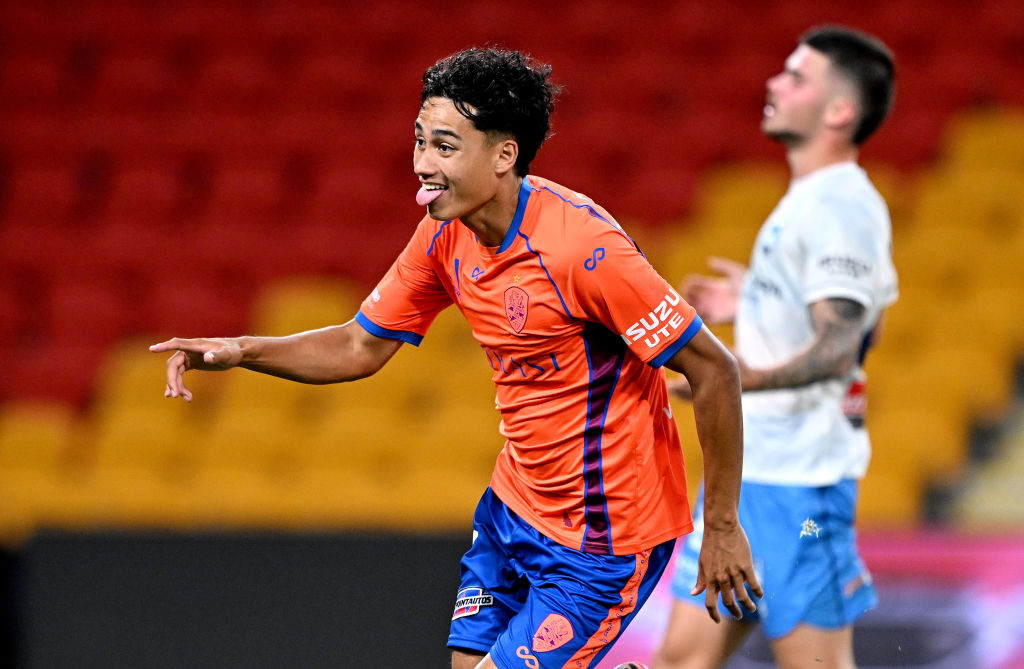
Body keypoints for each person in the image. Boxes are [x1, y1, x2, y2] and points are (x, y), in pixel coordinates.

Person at [151, 48, 761, 669]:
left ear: (503, 155)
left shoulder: (585, 250)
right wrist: (243, 349)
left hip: (603, 540)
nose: (421, 165)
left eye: (444, 147)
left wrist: (720, 526)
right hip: (512, 508)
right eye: (419, 142)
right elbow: (360, 346)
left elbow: (714, 370)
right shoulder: (444, 232)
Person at [652, 25, 897, 669]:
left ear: (839, 111)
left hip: (800, 486)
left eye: (796, 76)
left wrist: (738, 379)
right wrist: (756, 299)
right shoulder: (808, 199)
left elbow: (840, 345)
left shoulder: (843, 205)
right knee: (681, 659)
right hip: (746, 476)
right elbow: (828, 314)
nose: (774, 82)